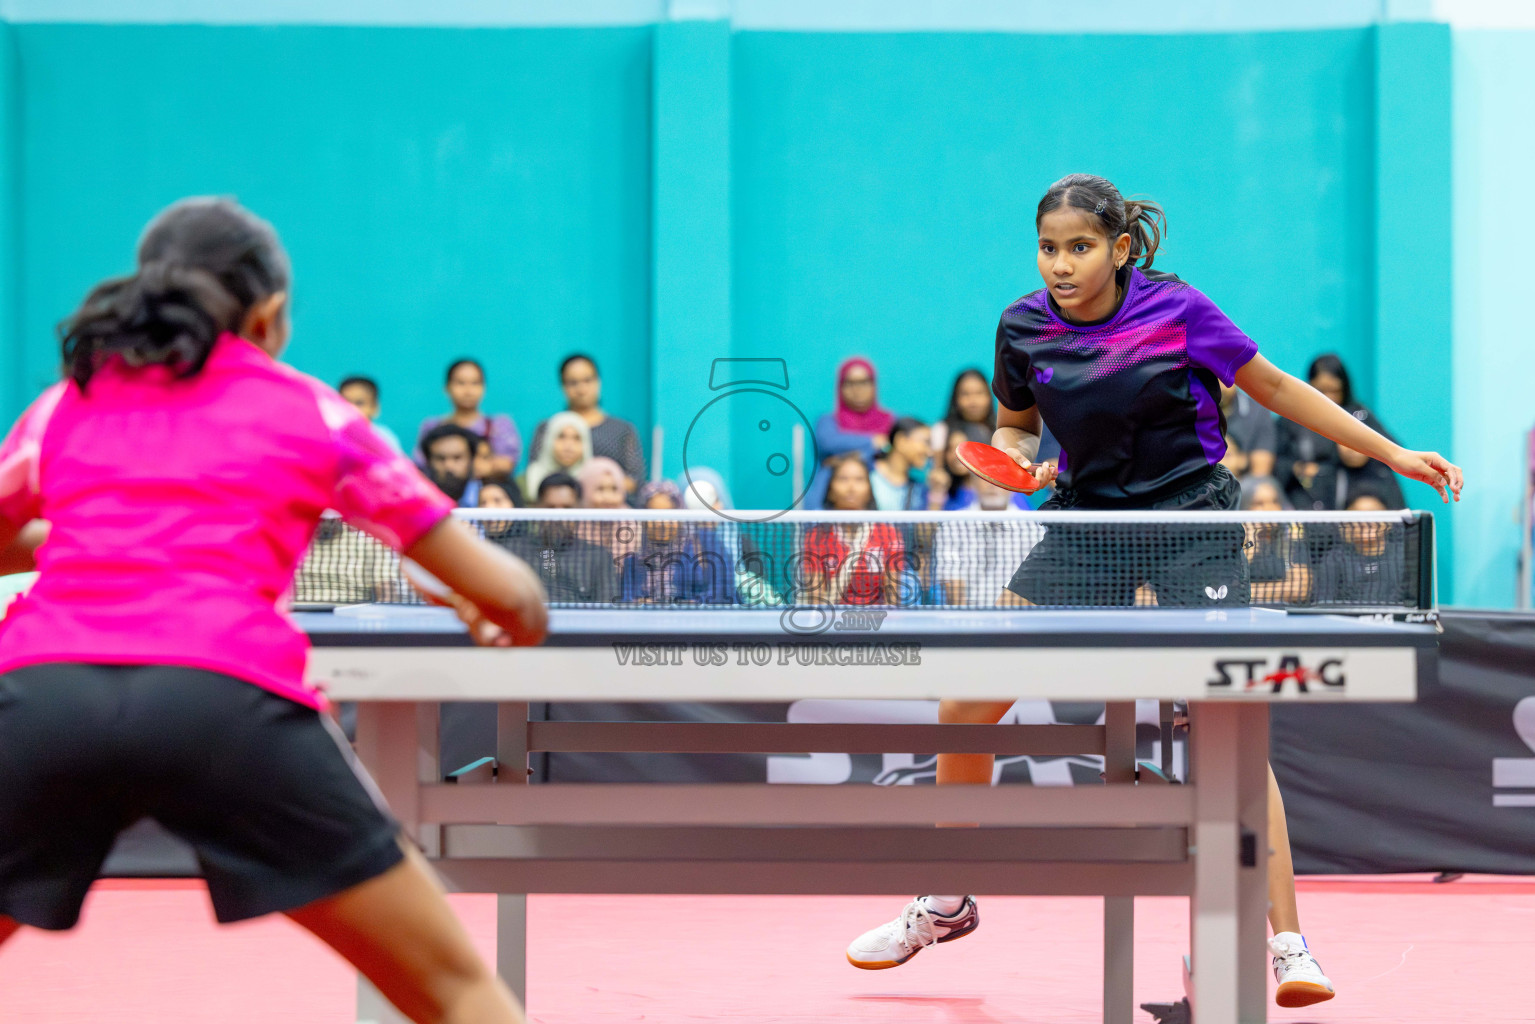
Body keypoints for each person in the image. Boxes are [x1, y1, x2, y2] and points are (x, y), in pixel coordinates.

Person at [844, 174, 1462, 1010]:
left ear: (1120, 248)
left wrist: (1391, 455)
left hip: (1189, 524)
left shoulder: (1178, 311)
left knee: (1228, 725)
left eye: (1079, 247)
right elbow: (1015, 422)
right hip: (1084, 527)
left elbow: (1274, 386)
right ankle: (946, 902)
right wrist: (1013, 454)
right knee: (965, 702)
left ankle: (1286, 941)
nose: (1060, 265)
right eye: (1048, 248)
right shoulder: (1022, 325)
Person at [0, 197, 547, 1024]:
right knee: (457, 994)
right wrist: (481, 596)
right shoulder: (314, 412)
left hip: (44, 696)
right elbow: (515, 598)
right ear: (268, 314)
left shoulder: (64, 404)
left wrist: (82, 544)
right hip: (224, 702)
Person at [1276, 354, 1392, 508]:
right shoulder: (1292, 418)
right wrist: (1297, 468)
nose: (1328, 398)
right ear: (1309, 387)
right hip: (1303, 499)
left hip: (1351, 496)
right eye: (1321, 391)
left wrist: (1367, 454)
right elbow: (1275, 460)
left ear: (1344, 388)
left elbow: (1390, 451)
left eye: (1334, 391)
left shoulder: (1358, 415)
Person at [491, 474, 618, 605]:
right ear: (537, 508)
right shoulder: (511, 551)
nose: (558, 515)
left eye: (567, 508)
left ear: (579, 510)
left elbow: (608, 611)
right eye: (550, 507)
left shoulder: (598, 557)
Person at [529, 355, 645, 493]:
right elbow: (536, 472)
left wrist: (601, 489)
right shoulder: (547, 428)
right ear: (563, 386)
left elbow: (635, 479)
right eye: (573, 382)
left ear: (598, 382)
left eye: (587, 380)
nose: (581, 388)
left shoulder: (622, 430)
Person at [800, 453, 905, 606]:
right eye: (843, 479)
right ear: (830, 490)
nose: (851, 487)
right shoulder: (816, 537)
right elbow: (816, 601)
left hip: (877, 623)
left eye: (859, 479)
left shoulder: (889, 534)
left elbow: (893, 600)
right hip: (832, 623)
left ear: (870, 489)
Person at [619, 481, 733, 604]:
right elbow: (625, 598)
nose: (661, 523)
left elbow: (724, 592)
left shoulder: (705, 544)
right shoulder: (632, 560)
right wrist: (640, 603)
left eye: (669, 514)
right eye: (653, 514)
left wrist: (694, 604)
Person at [805, 358, 897, 511]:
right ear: (840, 387)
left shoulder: (890, 421)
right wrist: (872, 443)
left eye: (864, 382)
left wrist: (839, 457)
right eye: (850, 383)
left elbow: (890, 450)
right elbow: (829, 442)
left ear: (874, 385)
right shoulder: (827, 421)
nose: (857, 389)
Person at [932, 479, 1037, 606]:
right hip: (967, 618)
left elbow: (1033, 585)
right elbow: (952, 586)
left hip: (1016, 617)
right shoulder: (952, 524)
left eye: (1000, 477)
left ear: (1014, 485)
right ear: (973, 482)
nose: (993, 485)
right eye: (986, 478)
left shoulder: (1033, 527)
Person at [414, 359, 521, 478]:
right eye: (460, 383)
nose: (468, 391)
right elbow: (420, 466)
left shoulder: (498, 425)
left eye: (475, 383)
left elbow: (506, 463)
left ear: (484, 388)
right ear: (447, 388)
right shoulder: (432, 426)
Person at [1312, 487, 1409, 606]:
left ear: (1388, 522)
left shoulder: (1405, 557)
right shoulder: (1334, 559)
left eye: (1374, 513)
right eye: (1358, 514)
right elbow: (1323, 606)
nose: (1366, 521)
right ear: (1346, 523)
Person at [1240, 476, 1312, 604]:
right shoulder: (1233, 541)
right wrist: (1250, 546)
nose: (1269, 508)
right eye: (1259, 503)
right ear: (1244, 507)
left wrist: (1248, 590)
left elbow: (1300, 590)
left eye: (1274, 501)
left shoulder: (1292, 537)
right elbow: (1228, 589)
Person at [523, 411, 593, 502]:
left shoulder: (598, 483)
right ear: (548, 440)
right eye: (561, 436)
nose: (568, 446)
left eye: (576, 438)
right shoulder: (527, 481)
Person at [870, 417, 932, 512]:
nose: (929, 452)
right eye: (925, 442)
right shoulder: (868, 477)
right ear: (901, 441)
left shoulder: (920, 488)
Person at [1219, 382, 1276, 480]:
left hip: (1243, 485)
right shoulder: (1189, 410)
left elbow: (1260, 474)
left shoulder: (1257, 411)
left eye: (1221, 376)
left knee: (1265, 493)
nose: (1218, 384)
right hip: (1198, 486)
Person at [420, 423, 484, 508]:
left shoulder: (492, 499)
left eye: (457, 458)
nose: (449, 466)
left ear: (472, 459)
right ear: (428, 461)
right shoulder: (418, 503)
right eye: (441, 459)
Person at [339, 376, 405, 455]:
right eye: (344, 402)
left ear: (374, 408)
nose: (351, 408)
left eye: (359, 403)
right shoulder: (333, 438)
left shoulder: (383, 438)